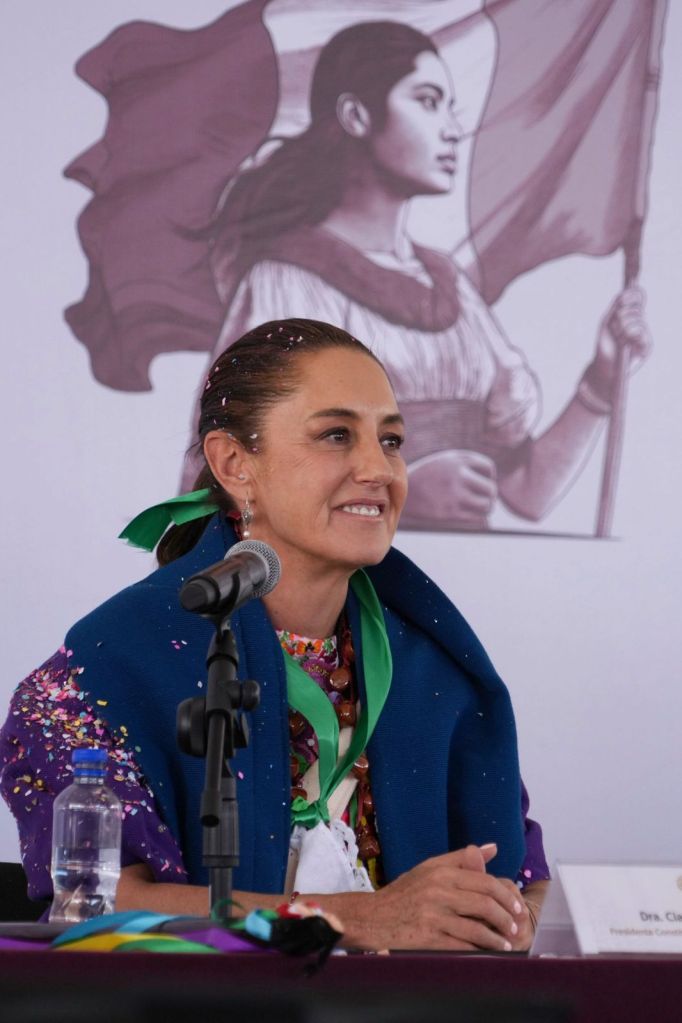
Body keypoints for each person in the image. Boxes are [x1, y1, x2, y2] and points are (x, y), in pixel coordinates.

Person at [1, 318, 549, 950]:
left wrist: (506, 924)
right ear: (234, 463)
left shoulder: (435, 664)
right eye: (337, 435)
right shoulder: (110, 664)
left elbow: (524, 880)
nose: (379, 468)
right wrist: (360, 919)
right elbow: (92, 903)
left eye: (392, 440)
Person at [199, 20, 650, 529]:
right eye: (428, 101)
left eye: (450, 107)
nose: (453, 129)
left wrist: (601, 379)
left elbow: (526, 493)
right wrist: (400, 490)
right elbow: (236, 484)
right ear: (356, 116)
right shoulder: (285, 285)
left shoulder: (451, 289)